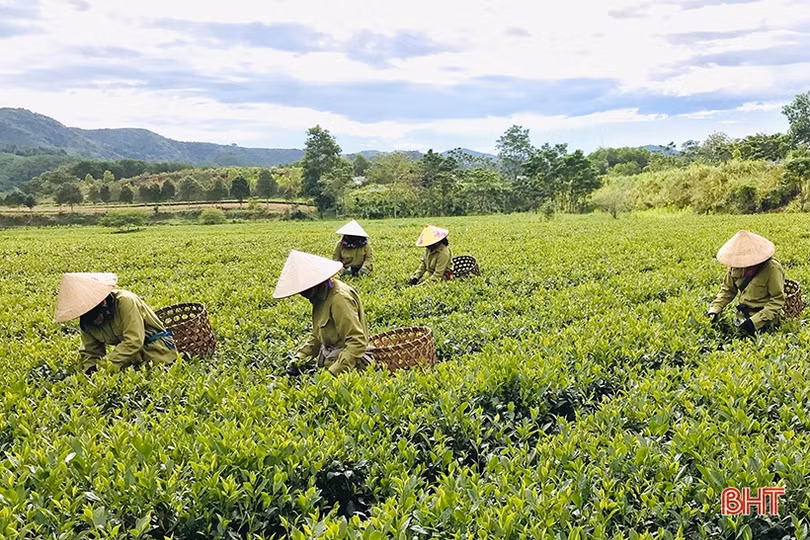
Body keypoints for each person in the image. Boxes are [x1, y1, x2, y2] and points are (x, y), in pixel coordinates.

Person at [53, 273, 178, 374]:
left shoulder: (125, 301)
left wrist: (103, 367)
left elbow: (133, 341)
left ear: (103, 302)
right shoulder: (87, 321)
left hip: (156, 355)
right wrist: (90, 371)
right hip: (128, 360)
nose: (98, 321)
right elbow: (91, 351)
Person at [274, 250, 372, 376]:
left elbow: (357, 342)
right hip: (328, 361)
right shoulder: (320, 297)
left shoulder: (339, 299)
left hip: (348, 367)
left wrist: (333, 373)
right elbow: (317, 335)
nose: (303, 294)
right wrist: (301, 356)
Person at [707, 230, 785, 335]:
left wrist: (754, 322)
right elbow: (727, 291)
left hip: (766, 319)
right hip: (743, 316)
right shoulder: (735, 267)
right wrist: (715, 309)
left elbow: (777, 301)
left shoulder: (772, 269)